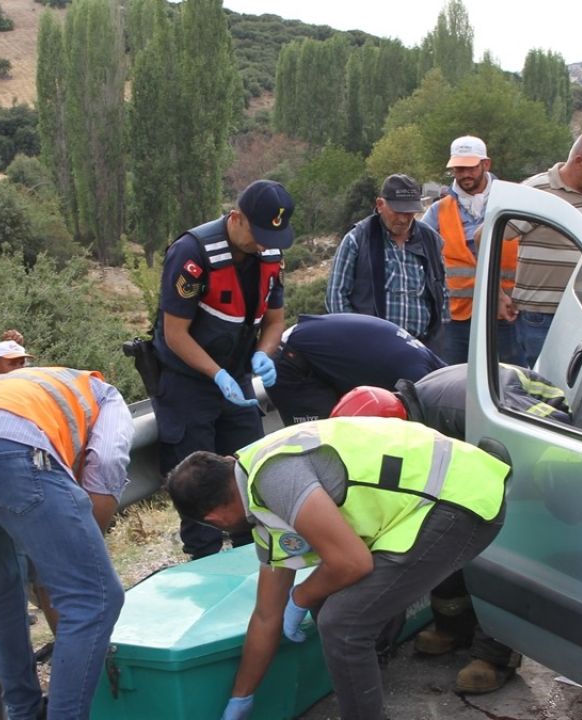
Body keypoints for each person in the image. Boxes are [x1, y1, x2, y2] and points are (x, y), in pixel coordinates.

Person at [165, 417, 510, 720]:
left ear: (214, 518)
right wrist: (242, 696)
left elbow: (351, 562)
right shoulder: (256, 490)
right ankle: (365, 678)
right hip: (429, 503)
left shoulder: (274, 477)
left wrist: (300, 595)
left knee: (342, 623)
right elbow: (266, 616)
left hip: (460, 500)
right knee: (329, 602)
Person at [331, 364, 570, 695]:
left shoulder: (459, 408)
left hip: (523, 440)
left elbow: (549, 428)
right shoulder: (413, 416)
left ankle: (494, 655)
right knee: (437, 527)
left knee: (497, 539)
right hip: (472, 449)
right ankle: (454, 628)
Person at [0, 367, 133, 720]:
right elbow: (107, 462)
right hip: (10, 454)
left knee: (3, 579)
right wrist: (83, 548)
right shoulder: (106, 396)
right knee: (95, 597)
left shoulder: (24, 386)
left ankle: (22, 712)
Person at [152, 179, 294, 559]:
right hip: (188, 385)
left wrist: (264, 353)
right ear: (236, 219)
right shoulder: (192, 254)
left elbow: (275, 321)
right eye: (259, 234)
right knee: (199, 491)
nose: (265, 243)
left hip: (237, 383)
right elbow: (175, 333)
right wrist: (216, 374)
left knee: (250, 477)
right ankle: (207, 566)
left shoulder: (270, 254)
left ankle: (254, 564)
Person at [512, 130, 582, 367]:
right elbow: (487, 236)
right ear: (579, 162)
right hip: (540, 315)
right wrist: (498, 293)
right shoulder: (537, 190)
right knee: (544, 388)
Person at [419, 136, 520, 366]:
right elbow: (418, 251)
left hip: (506, 314)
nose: (464, 174)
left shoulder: (511, 201)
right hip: (457, 318)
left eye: (470, 167)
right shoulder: (438, 211)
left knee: (511, 379)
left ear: (486, 164)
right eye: (458, 168)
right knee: (454, 379)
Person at [325, 174, 448, 352]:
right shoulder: (357, 238)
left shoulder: (431, 239)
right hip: (370, 347)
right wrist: (356, 337)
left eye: (409, 212)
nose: (404, 219)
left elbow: (442, 292)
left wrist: (438, 339)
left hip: (421, 348)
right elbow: (336, 296)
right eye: (398, 212)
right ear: (380, 205)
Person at [265, 313, 446, 425]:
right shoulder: (417, 380)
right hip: (291, 359)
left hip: (322, 352)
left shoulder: (431, 366)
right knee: (326, 439)